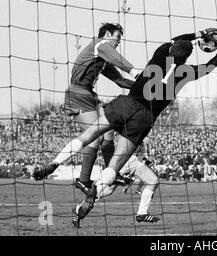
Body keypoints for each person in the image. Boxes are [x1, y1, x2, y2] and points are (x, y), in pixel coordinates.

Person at [33, 27, 217, 225]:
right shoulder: (187, 71)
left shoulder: (161, 53)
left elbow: (174, 39)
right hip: (145, 117)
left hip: (126, 104)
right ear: (187, 57)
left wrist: (198, 34)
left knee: (89, 135)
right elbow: (209, 67)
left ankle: (54, 164)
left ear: (171, 49)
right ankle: (96, 188)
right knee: (115, 164)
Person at [33, 23, 141, 194]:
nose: (118, 42)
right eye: (117, 38)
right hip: (78, 94)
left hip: (89, 95)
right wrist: (136, 73)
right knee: (95, 136)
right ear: (107, 34)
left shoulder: (103, 59)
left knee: (108, 133)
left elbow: (120, 81)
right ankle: (82, 180)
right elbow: (116, 58)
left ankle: (112, 172)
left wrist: (142, 86)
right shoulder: (99, 44)